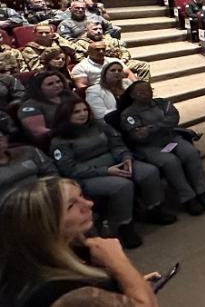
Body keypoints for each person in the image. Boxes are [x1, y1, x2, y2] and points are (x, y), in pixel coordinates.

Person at [0, 177, 160, 307]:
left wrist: (131, 284)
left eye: (81, 196)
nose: (88, 204)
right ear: (43, 227)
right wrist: (120, 264)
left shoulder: (25, 270)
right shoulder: (63, 292)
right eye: (71, 205)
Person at [50, 99, 175, 249]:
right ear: (65, 115)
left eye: (85, 110)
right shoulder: (59, 141)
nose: (83, 114)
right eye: (76, 112)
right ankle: (124, 226)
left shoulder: (100, 126)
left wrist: (126, 157)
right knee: (122, 186)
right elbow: (70, 169)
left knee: (149, 172)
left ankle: (154, 209)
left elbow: (117, 144)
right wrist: (106, 171)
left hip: (116, 162)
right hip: (89, 175)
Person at [117, 81, 205, 216]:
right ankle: (187, 197)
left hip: (170, 139)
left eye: (149, 90)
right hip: (149, 146)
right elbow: (138, 135)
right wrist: (160, 126)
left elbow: (173, 118)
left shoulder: (162, 103)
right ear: (132, 95)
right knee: (170, 162)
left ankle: (201, 191)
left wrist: (151, 128)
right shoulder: (128, 114)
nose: (147, 94)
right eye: (141, 92)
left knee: (191, 153)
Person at [17, 71, 77, 147]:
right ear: (38, 88)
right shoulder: (30, 105)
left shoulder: (69, 95)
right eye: (50, 84)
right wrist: (68, 133)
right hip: (59, 140)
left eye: (58, 82)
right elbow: (39, 131)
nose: (57, 85)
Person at [0, 126, 57, 199]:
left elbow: (51, 172)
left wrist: (50, 191)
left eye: (1, 136)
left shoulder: (28, 151)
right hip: (12, 206)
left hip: (44, 196)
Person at [71, 41, 136, 90]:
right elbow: (82, 87)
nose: (101, 52)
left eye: (103, 49)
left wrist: (137, 86)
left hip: (121, 89)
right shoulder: (81, 67)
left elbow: (129, 74)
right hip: (99, 92)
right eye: (97, 50)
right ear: (89, 52)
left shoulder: (115, 61)